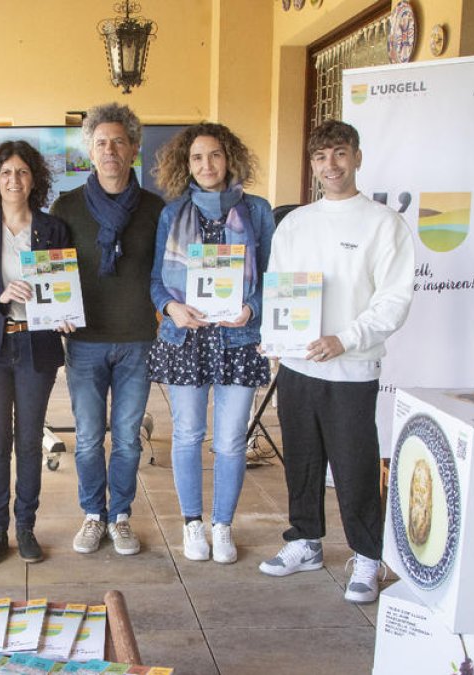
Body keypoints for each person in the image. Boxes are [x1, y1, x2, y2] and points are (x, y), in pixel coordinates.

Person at [258, 120, 414, 604]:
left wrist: (345, 339)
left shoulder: (383, 224)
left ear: (358, 158)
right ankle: (305, 541)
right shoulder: (297, 222)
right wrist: (274, 341)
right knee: (301, 463)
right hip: (300, 368)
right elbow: (278, 286)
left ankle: (368, 556)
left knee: (355, 466)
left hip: (351, 369)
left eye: (340, 154)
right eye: (322, 156)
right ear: (312, 165)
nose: (332, 165)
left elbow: (394, 299)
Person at [148, 123, 275, 564]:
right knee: (187, 434)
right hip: (188, 339)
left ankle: (222, 525)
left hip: (239, 339)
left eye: (215, 155)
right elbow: (156, 284)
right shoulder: (173, 214)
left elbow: (273, 277)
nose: (207, 165)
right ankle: (192, 524)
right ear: (187, 164)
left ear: (230, 158)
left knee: (231, 441)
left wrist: (253, 308)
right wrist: (171, 308)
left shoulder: (257, 211)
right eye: (198, 157)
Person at [50, 103, 164, 556]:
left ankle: (120, 516)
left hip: (137, 339)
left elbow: (168, 272)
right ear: (90, 153)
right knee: (90, 437)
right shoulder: (67, 207)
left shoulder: (156, 209)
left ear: (134, 148)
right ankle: (92, 514)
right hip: (85, 340)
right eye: (101, 143)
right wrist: (49, 308)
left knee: (128, 438)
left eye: (119, 141)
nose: (111, 150)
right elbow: (51, 272)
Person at [0, 141, 72, 565]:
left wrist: (64, 312)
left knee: (28, 439)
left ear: (34, 179)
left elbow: (65, 282)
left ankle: (25, 528)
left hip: (36, 342)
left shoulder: (52, 227)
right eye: (6, 172)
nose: (14, 180)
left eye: (22, 172)